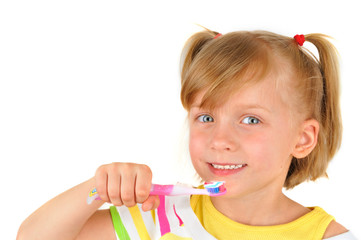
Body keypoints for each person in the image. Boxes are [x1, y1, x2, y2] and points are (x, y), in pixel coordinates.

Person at [17, 29, 357, 240]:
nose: (219, 139)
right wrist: (98, 188)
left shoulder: (329, 237)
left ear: (303, 139)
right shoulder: (162, 216)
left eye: (251, 120)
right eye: (206, 116)